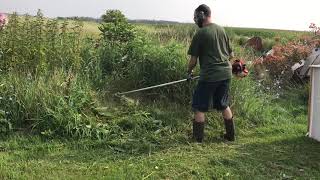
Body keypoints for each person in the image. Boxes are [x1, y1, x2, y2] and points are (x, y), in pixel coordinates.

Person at [187, 4, 235, 142]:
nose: (196, 19)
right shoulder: (222, 30)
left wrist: (188, 72)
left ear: (201, 15)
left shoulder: (200, 33)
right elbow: (231, 55)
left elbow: (193, 61)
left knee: (199, 107)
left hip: (209, 76)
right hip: (226, 73)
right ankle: (231, 136)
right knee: (223, 104)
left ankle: (197, 140)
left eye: (196, 16)